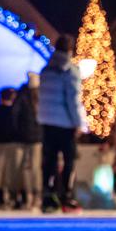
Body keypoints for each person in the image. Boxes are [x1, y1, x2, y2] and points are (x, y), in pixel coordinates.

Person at [37, 34, 87, 214]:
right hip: (65, 123)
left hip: (47, 122)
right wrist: (78, 123)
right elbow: (73, 100)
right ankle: (67, 197)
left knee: (49, 160)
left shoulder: (45, 70)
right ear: (69, 49)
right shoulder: (71, 70)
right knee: (69, 161)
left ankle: (48, 197)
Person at [12, 72, 42, 209]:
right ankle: (32, 195)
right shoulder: (39, 98)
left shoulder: (22, 97)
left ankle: (28, 195)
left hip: (27, 138)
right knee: (33, 168)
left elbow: (14, 116)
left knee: (25, 168)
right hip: (34, 138)